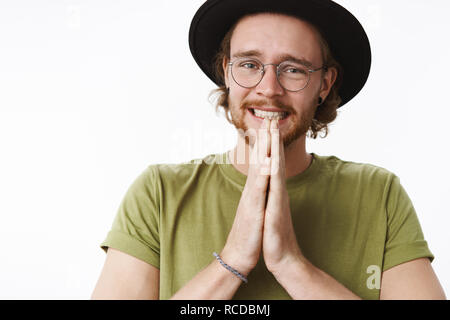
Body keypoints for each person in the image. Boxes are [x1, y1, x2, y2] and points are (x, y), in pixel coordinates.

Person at [91, 0, 446, 300]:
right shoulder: (159, 192)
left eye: (293, 69)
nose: (269, 89)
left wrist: (291, 264)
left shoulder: (378, 193)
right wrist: (232, 260)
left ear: (324, 84)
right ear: (226, 73)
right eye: (249, 65)